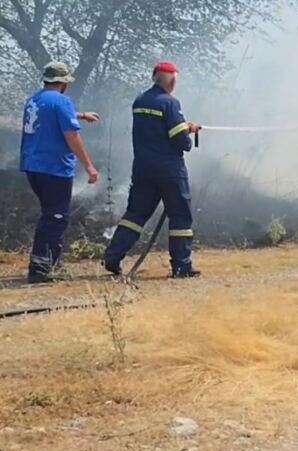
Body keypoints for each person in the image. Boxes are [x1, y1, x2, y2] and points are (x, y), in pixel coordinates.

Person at [103, 61, 202, 278]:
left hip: (143, 168)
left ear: (153, 77)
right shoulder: (170, 103)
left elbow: (156, 129)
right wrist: (189, 131)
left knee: (135, 215)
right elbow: (181, 141)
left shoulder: (140, 101)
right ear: (172, 82)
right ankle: (181, 266)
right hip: (169, 170)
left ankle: (112, 256)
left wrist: (182, 127)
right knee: (180, 218)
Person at [20, 61, 100, 284]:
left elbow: (51, 114)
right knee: (55, 217)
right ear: (63, 83)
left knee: (50, 214)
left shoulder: (33, 100)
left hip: (32, 166)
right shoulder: (62, 100)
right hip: (54, 168)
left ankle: (50, 262)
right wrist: (89, 165)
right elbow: (71, 135)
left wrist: (81, 115)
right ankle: (41, 269)